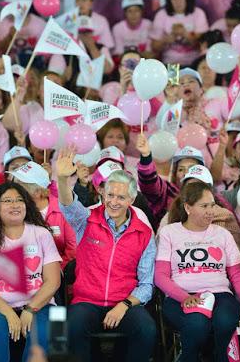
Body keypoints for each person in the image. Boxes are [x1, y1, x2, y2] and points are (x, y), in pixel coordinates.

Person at [56, 146, 157, 362]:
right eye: (110, 194)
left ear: (131, 199)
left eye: (121, 197)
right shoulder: (87, 219)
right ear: (102, 193)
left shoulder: (144, 233)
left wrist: (125, 305)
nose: (114, 201)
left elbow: (147, 284)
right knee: (71, 329)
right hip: (87, 301)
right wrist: (63, 180)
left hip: (124, 302)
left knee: (148, 330)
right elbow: (68, 205)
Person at [155, 181, 240, 362]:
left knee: (225, 321)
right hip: (181, 296)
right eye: (204, 206)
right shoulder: (169, 233)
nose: (211, 211)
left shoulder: (222, 234)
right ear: (188, 207)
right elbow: (160, 276)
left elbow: (237, 275)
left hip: (220, 294)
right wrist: (185, 297)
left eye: (212, 205)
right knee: (198, 323)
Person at [0, 182, 61, 362]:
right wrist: (8, 312)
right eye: (7, 200)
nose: (15, 204)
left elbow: (53, 281)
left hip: (39, 304)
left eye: (19, 200)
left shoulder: (41, 234)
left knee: (42, 335)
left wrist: (30, 309)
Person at [9, 161, 76, 272]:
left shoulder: (63, 210)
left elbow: (73, 250)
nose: (14, 190)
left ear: (37, 192)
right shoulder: (15, 210)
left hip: (59, 273)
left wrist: (53, 272)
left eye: (20, 186)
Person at [150, 0, 209, 65]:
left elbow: (203, 45)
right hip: (170, 63)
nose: (177, 2)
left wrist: (185, 34)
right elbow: (154, 47)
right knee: (172, 77)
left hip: (194, 63)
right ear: (169, 0)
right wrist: (168, 39)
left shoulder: (198, 13)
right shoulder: (161, 14)